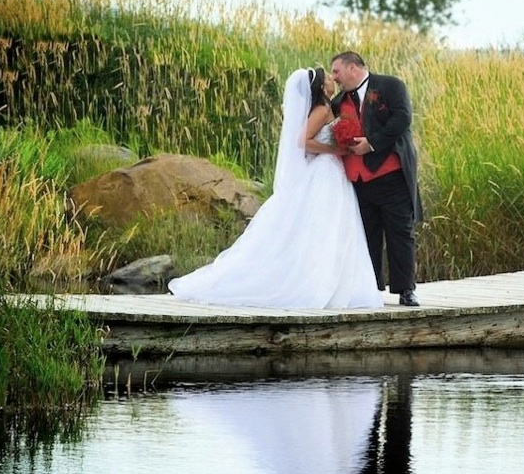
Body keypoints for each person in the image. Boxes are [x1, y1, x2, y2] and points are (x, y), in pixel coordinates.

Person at [167, 67, 384, 309]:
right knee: (324, 226)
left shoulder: (326, 107)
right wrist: (337, 149)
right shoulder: (322, 109)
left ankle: (333, 284)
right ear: (322, 87)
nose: (333, 80)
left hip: (332, 172)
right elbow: (302, 141)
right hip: (325, 172)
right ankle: (318, 284)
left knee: (331, 228)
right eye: (328, 78)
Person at [330, 51, 421, 307]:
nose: (334, 77)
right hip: (358, 180)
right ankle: (370, 289)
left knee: (400, 233)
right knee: (366, 235)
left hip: (391, 175)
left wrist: (371, 144)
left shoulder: (390, 85)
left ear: (352, 68)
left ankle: (405, 291)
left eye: (336, 71)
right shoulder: (339, 101)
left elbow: (402, 119)